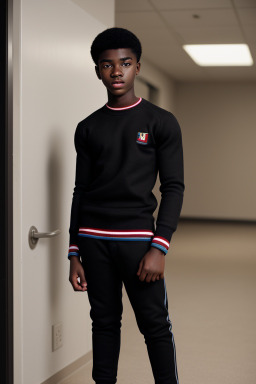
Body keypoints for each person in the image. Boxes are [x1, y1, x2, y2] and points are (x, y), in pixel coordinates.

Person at [68, 27, 185, 384]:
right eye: (107, 65)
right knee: (103, 323)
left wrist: (159, 246)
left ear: (138, 67)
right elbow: (80, 190)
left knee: (154, 325)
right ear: (98, 71)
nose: (116, 71)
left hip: (138, 243)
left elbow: (174, 186)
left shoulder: (160, 122)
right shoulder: (87, 128)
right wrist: (74, 251)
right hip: (93, 241)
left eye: (125, 63)